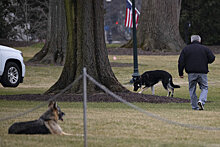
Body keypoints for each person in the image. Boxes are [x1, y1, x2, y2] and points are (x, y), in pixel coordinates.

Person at [178, 35, 215, 110]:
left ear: (191, 41)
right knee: (204, 87)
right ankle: (201, 100)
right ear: (199, 40)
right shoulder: (205, 48)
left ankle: (195, 107)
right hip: (202, 72)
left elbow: (181, 62)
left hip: (191, 73)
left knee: (192, 89)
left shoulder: (186, 49)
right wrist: (205, 62)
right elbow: (212, 58)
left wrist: (181, 73)